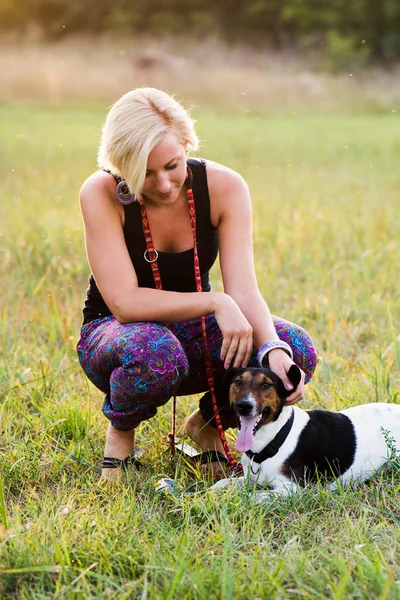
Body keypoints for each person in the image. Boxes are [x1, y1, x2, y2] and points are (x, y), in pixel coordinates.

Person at [76, 87, 317, 480]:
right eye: (144, 173)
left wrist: (273, 348)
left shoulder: (224, 187)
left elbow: (243, 290)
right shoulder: (99, 192)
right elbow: (124, 302)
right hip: (116, 335)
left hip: (192, 330)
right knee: (157, 351)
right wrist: (215, 302)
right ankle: (120, 439)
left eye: (172, 164)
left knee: (297, 350)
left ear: (187, 143)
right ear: (120, 165)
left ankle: (208, 425)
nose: (164, 184)